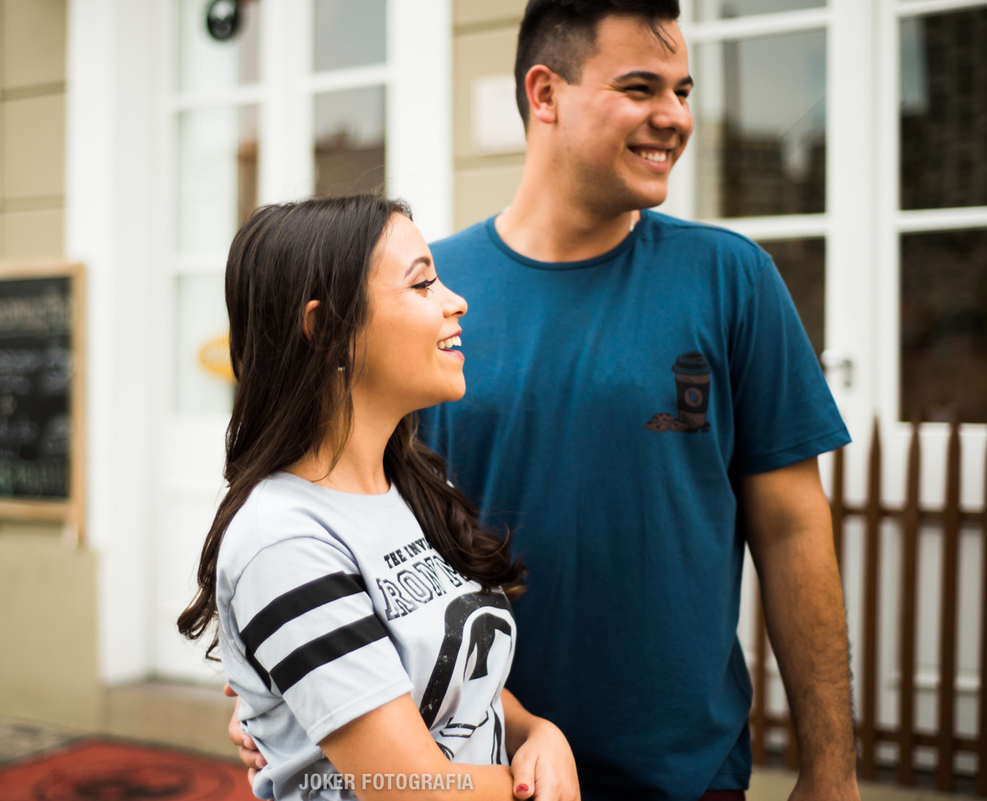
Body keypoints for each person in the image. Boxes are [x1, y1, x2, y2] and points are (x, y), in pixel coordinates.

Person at [231, 2, 859, 800]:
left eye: (684, 90)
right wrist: (291, 694)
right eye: (640, 88)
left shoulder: (732, 280)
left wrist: (833, 769)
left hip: (684, 780)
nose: (675, 117)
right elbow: (331, 516)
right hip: (468, 770)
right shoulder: (416, 308)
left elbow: (794, 526)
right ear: (545, 93)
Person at [180, 195, 580, 801]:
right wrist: (541, 789)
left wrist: (538, 735)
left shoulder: (420, 488)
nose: (456, 301)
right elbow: (410, 790)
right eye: (422, 285)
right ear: (326, 331)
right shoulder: (282, 539)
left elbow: (463, 682)